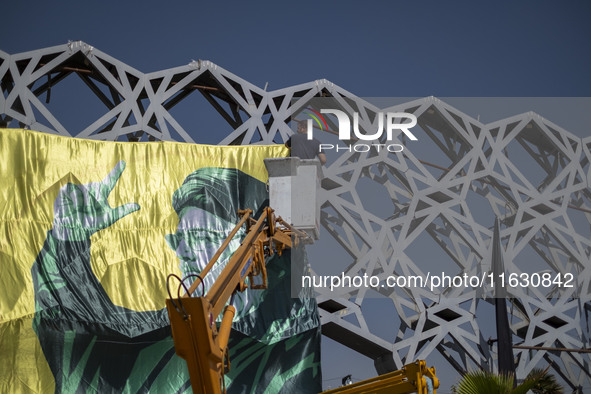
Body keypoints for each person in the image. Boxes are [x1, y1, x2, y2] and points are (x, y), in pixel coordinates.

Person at [31, 161, 321, 393]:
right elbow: (76, 330)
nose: (185, 252)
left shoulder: (283, 346)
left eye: (203, 237)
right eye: (180, 239)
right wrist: (68, 238)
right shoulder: (162, 340)